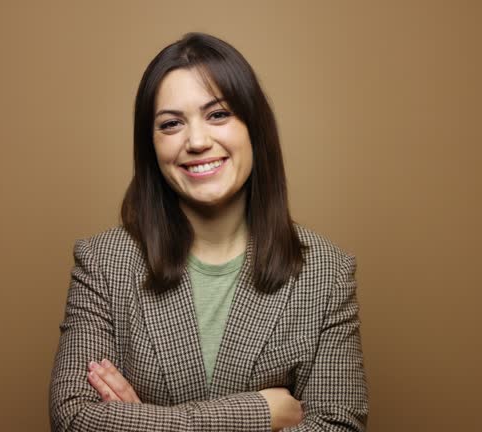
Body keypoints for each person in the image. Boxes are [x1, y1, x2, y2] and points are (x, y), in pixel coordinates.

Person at [49, 32, 368, 431]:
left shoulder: (325, 271)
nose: (197, 141)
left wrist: (140, 421)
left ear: (255, 128)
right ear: (151, 147)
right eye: (171, 124)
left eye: (218, 114)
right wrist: (259, 414)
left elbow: (337, 425)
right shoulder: (103, 263)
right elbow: (76, 419)